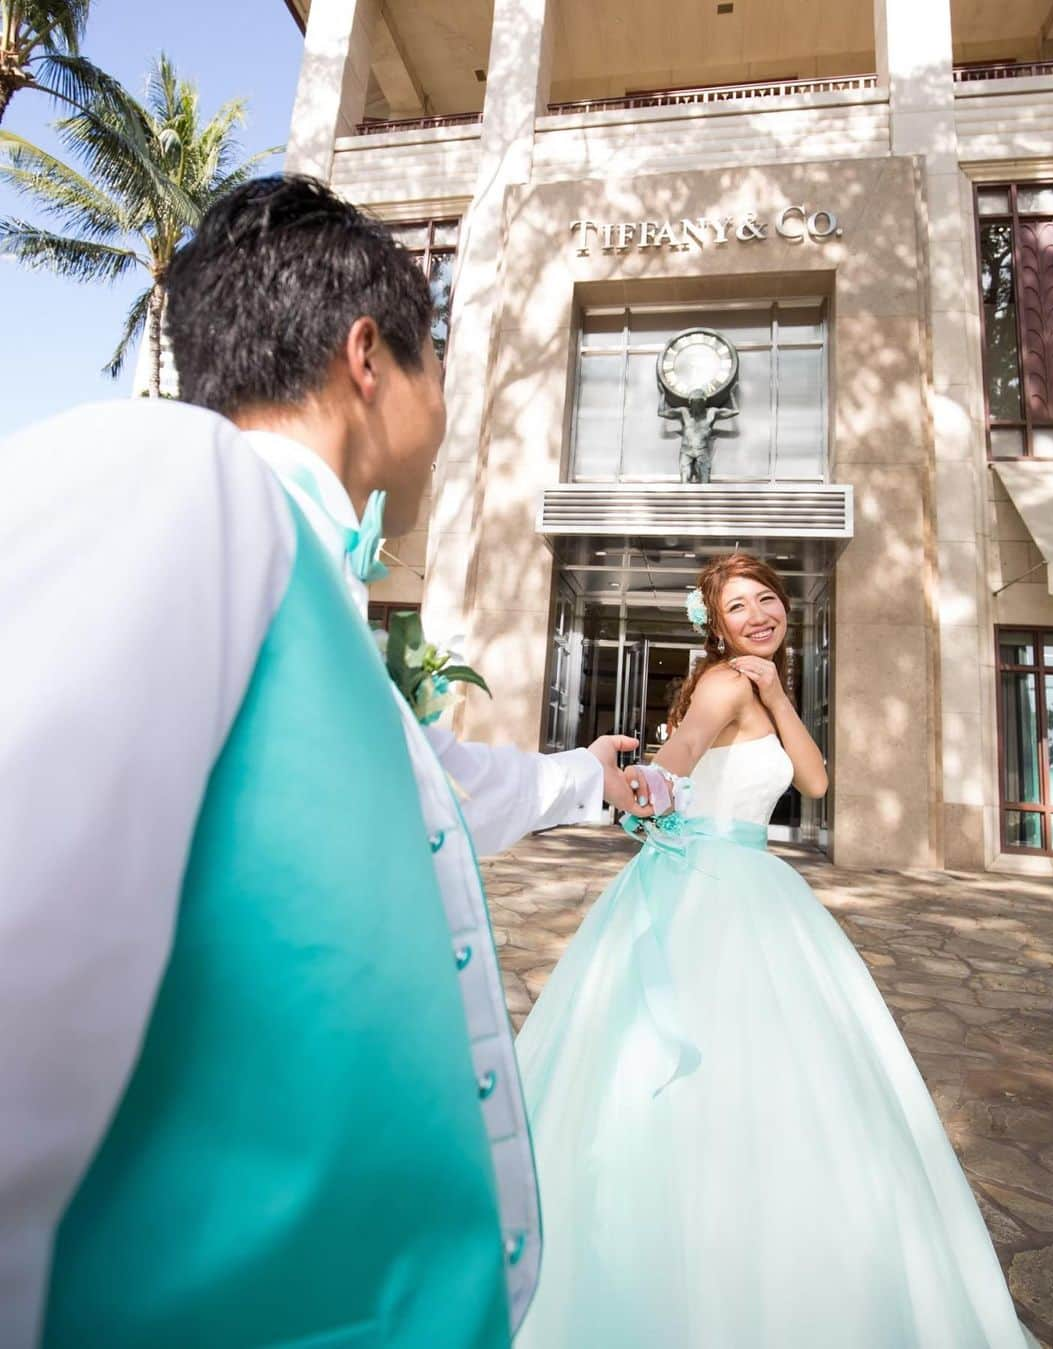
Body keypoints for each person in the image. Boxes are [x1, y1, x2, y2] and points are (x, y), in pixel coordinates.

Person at [0, 182, 638, 1349]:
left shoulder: (312, 587)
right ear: (368, 358)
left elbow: (434, 786)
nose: (443, 405)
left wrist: (588, 775)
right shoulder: (179, 481)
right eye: (433, 361)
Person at [514, 553, 1038, 1349]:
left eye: (767, 598)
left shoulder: (757, 684)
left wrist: (781, 691)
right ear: (715, 623)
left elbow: (817, 781)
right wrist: (645, 795)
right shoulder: (724, 683)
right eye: (738, 605)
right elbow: (681, 753)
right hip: (711, 886)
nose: (758, 613)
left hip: (754, 879)